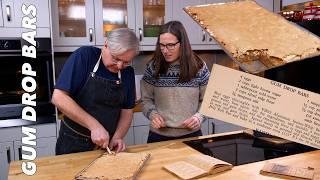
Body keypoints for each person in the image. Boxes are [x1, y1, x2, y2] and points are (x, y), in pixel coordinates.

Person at [52, 28, 139, 155]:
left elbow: (127, 112)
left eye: (126, 62)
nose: (120, 66)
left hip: (106, 145)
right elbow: (58, 97)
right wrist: (94, 125)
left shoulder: (128, 73)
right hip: (73, 143)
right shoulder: (85, 56)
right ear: (106, 45)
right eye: (115, 59)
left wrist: (118, 137)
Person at [141, 21, 210, 143]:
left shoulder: (199, 67)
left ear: (182, 44)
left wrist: (199, 117)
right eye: (162, 45)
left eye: (170, 45)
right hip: (158, 137)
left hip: (192, 136)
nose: (165, 51)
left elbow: (209, 101)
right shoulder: (153, 67)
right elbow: (145, 100)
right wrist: (153, 115)